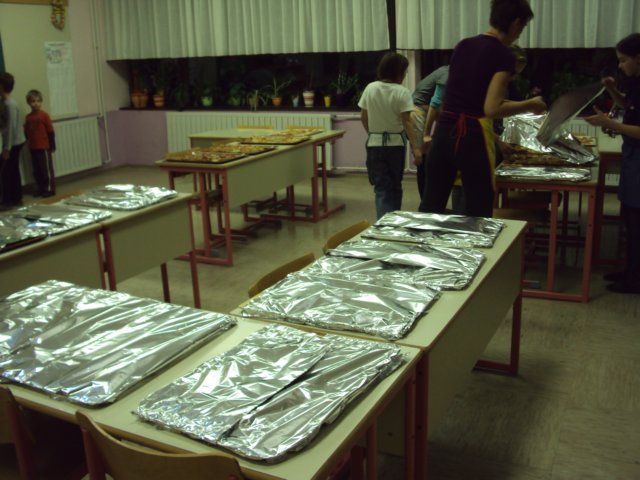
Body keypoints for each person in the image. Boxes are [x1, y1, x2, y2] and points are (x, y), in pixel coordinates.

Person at [418, 0, 546, 218]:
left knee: (431, 207)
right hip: (471, 137)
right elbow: (491, 107)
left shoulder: (463, 45)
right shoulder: (503, 55)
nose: (519, 34)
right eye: (522, 28)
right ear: (516, 23)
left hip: (444, 133)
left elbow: (469, 99)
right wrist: (530, 104)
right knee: (479, 211)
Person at [585, 32, 640, 294]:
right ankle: (630, 270)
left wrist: (610, 124)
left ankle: (636, 279)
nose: (620, 65)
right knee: (629, 216)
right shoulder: (635, 83)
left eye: (623, 60)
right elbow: (627, 106)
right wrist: (610, 89)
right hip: (632, 156)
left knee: (637, 220)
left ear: (639, 58)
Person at [358, 52, 422, 219]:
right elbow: (407, 122)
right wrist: (416, 148)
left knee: (381, 188)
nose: (405, 75)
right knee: (395, 186)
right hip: (395, 146)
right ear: (398, 72)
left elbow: (363, 116)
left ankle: (386, 223)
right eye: (404, 71)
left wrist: (373, 133)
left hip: (374, 144)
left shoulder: (370, 88)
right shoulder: (402, 92)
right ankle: (390, 223)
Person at [411, 65, 449, 199]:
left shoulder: (448, 72)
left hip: (424, 108)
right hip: (418, 110)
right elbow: (435, 103)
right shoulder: (447, 73)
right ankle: (425, 201)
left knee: (430, 158)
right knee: (423, 158)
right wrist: (427, 134)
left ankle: (430, 199)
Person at [0, 72, 26, 208]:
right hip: (13, 142)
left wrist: (7, 149)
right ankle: (16, 198)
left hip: (14, 143)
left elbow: (10, 128)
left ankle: (9, 200)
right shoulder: (4, 103)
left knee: (6, 172)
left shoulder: (10, 105)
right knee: (13, 170)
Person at [24, 89, 56, 197]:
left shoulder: (44, 115)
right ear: (29, 103)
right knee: (37, 171)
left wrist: (52, 145)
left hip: (44, 147)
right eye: (33, 101)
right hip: (33, 148)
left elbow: (50, 131)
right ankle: (40, 188)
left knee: (45, 170)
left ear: (41, 102)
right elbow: (27, 132)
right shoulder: (28, 117)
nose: (36, 103)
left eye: (38, 101)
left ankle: (49, 189)